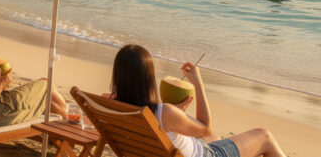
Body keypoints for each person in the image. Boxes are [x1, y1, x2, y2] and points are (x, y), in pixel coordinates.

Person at [111, 44, 287, 157]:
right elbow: (205, 127)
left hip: (175, 149)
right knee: (264, 135)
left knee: (215, 138)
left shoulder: (112, 104)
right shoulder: (165, 113)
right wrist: (199, 84)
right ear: (148, 77)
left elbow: (165, 122)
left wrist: (174, 113)